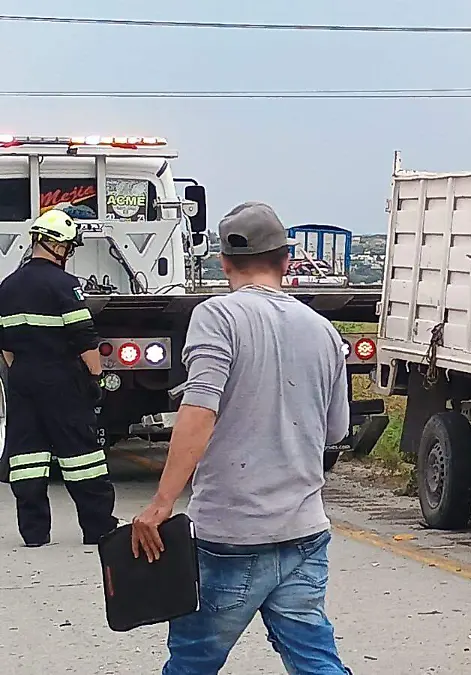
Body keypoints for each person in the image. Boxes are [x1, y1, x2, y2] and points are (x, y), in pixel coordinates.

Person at [129, 201, 352, 674]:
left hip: (230, 536)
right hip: (304, 532)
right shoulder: (324, 331)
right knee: (315, 661)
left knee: (192, 662)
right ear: (286, 261)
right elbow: (336, 431)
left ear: (225, 262)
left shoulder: (218, 317)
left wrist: (161, 504)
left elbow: (199, 410)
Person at [0, 208, 118, 547]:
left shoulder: (7, 286)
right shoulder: (65, 285)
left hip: (22, 378)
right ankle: (98, 528)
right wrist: (96, 379)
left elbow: (4, 345)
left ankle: (34, 533)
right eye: (69, 247)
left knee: (27, 456)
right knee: (83, 456)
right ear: (58, 245)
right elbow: (84, 337)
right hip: (61, 380)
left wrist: (23, 368)